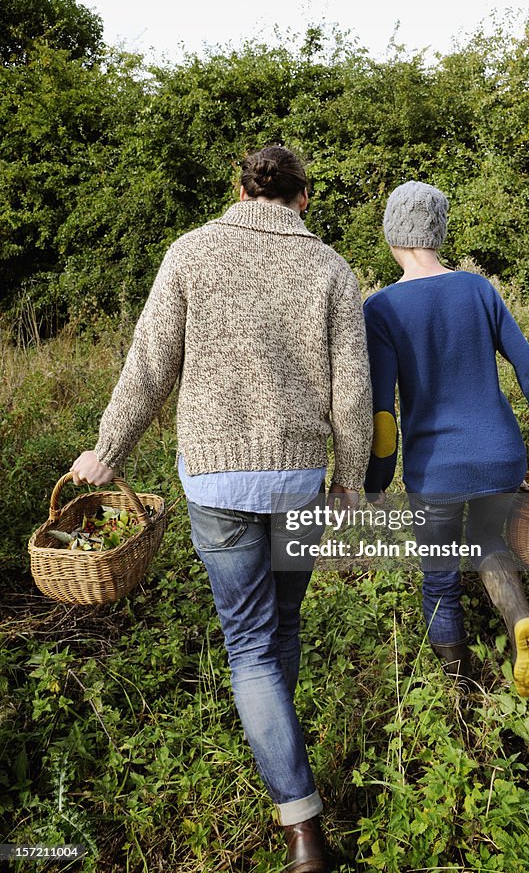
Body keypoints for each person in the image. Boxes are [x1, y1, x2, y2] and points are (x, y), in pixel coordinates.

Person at [71, 145, 373, 873]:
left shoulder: (190, 251)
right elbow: (353, 391)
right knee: (285, 626)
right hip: (298, 477)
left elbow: (150, 364)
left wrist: (105, 453)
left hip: (217, 479)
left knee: (248, 644)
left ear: (240, 190)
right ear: (303, 198)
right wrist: (349, 482)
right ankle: (282, 745)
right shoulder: (330, 267)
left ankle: (300, 822)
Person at [363, 181, 529, 698]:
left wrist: (376, 483)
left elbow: (383, 417)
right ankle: (520, 618)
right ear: (438, 232)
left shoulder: (382, 308)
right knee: (487, 541)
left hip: (436, 469)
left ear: (393, 235)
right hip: (499, 455)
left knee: (439, 577)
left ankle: (458, 697)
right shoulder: (478, 288)